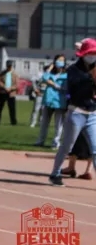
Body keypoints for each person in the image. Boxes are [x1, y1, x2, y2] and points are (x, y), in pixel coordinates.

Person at [49, 38, 96, 186]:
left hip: (92, 114)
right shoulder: (73, 70)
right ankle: (55, 173)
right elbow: (75, 88)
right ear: (83, 54)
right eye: (90, 53)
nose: (93, 56)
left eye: (95, 53)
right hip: (76, 113)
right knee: (67, 147)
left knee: (95, 149)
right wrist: (91, 77)